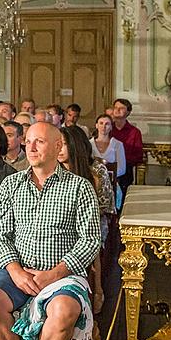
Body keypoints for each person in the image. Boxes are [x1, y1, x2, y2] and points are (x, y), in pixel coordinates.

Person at [0, 122, 100, 340]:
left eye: (40, 142)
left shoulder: (80, 187)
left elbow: (91, 240)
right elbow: (0, 233)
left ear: (58, 147)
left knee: (66, 309)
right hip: (19, 271)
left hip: (62, 274)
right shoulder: (12, 184)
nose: (30, 148)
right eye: (28, 141)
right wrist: (15, 270)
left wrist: (53, 274)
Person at [59, 126, 114, 314]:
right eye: (56, 144)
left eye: (63, 144)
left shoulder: (96, 170)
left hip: (92, 221)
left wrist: (79, 217)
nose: (59, 149)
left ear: (75, 146)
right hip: (61, 223)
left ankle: (97, 290)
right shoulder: (53, 168)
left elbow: (104, 206)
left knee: (89, 239)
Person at [91, 113, 126, 207]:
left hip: (111, 183)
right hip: (92, 183)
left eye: (107, 124)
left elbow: (122, 168)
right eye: (101, 123)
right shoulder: (89, 144)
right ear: (96, 125)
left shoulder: (118, 144)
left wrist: (105, 176)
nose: (104, 126)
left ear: (111, 127)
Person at [109, 98, 143, 193]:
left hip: (125, 170)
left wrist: (121, 160)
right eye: (115, 107)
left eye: (121, 108)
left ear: (128, 112)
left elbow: (138, 155)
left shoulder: (135, 132)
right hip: (107, 167)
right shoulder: (107, 128)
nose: (117, 110)